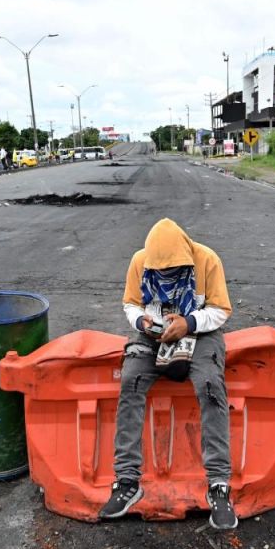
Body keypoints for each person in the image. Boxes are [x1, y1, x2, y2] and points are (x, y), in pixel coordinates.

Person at [99, 218, 237, 529]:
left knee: (210, 384)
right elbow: (131, 304)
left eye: (172, 272)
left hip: (201, 332)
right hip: (154, 333)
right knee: (130, 381)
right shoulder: (139, 262)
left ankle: (219, 485)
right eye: (159, 273)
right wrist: (141, 324)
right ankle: (127, 481)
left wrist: (188, 323)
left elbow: (220, 310)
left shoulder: (207, 260)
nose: (165, 277)